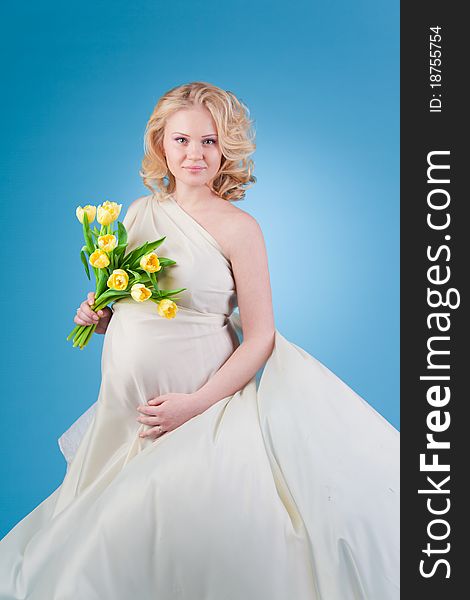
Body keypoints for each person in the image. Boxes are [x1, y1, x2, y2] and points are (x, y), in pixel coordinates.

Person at [0, 81, 400, 599]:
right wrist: (98, 315)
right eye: (182, 140)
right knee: (101, 547)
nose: (195, 153)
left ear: (225, 150)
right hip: (128, 416)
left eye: (209, 141)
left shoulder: (240, 229)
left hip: (206, 412)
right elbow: (133, 307)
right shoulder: (138, 214)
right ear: (161, 145)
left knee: (148, 533)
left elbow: (260, 338)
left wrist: (194, 405)